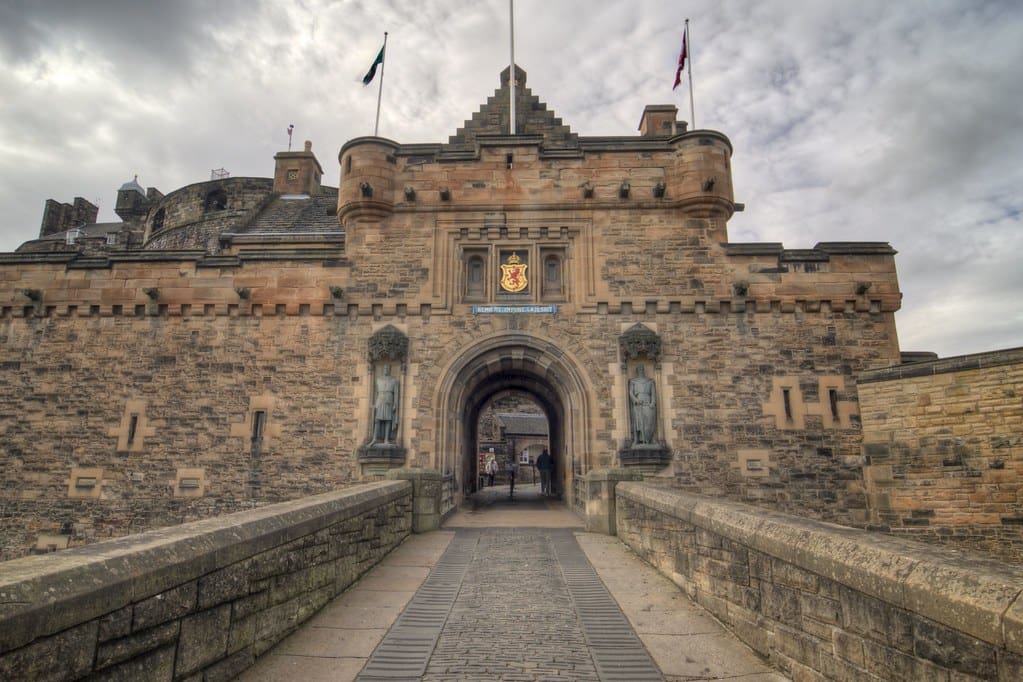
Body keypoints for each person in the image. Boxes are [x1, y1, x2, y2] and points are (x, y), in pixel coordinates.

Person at [370, 364, 399, 445]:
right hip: (380, 400)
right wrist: (374, 404)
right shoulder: (379, 380)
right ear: (383, 369)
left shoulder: (394, 380)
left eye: (388, 368)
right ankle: (375, 438)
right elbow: (375, 393)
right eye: (385, 368)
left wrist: (395, 404)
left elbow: (396, 394)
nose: (386, 370)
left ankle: (386, 439)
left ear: (390, 369)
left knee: (388, 420)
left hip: (389, 401)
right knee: (377, 420)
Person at [629, 365, 656, 444]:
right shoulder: (633, 381)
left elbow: (653, 394)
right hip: (638, 404)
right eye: (639, 369)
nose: (641, 371)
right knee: (638, 422)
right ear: (637, 371)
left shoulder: (650, 381)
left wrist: (652, 403)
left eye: (642, 369)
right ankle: (636, 439)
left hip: (648, 403)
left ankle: (650, 438)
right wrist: (636, 400)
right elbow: (631, 392)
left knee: (649, 421)